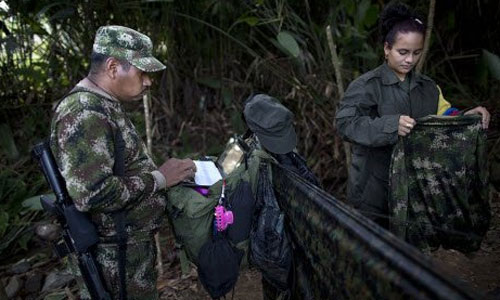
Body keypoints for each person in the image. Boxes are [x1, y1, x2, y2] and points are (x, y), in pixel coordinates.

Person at [50, 25, 196, 299]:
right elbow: (92, 193)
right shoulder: (84, 112)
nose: (148, 82)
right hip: (113, 259)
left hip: (127, 252)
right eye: (142, 73)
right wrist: (160, 179)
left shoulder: (103, 105)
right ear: (114, 67)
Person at [335, 3, 490, 228]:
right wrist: (390, 125)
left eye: (416, 53)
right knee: (371, 252)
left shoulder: (428, 88)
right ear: (387, 48)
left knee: (407, 251)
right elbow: (345, 124)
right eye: (403, 52)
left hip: (414, 190)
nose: (409, 60)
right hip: (371, 191)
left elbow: (443, 117)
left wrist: (468, 117)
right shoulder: (367, 86)